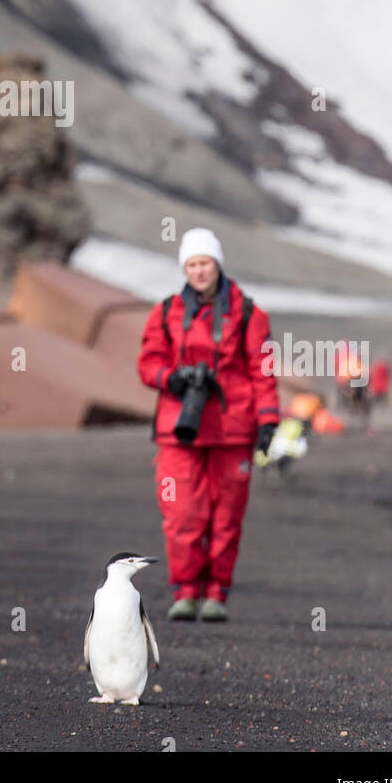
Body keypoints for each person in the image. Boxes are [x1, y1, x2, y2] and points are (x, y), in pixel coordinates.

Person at [137, 228, 279, 622]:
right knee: (181, 514)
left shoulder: (249, 313)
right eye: (193, 264)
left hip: (233, 430)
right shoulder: (165, 313)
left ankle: (216, 593)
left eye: (206, 263)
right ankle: (185, 591)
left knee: (226, 516)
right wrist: (173, 378)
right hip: (179, 429)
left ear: (218, 264)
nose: (200, 271)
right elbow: (147, 364)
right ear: (185, 267)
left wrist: (268, 420)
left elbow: (263, 371)